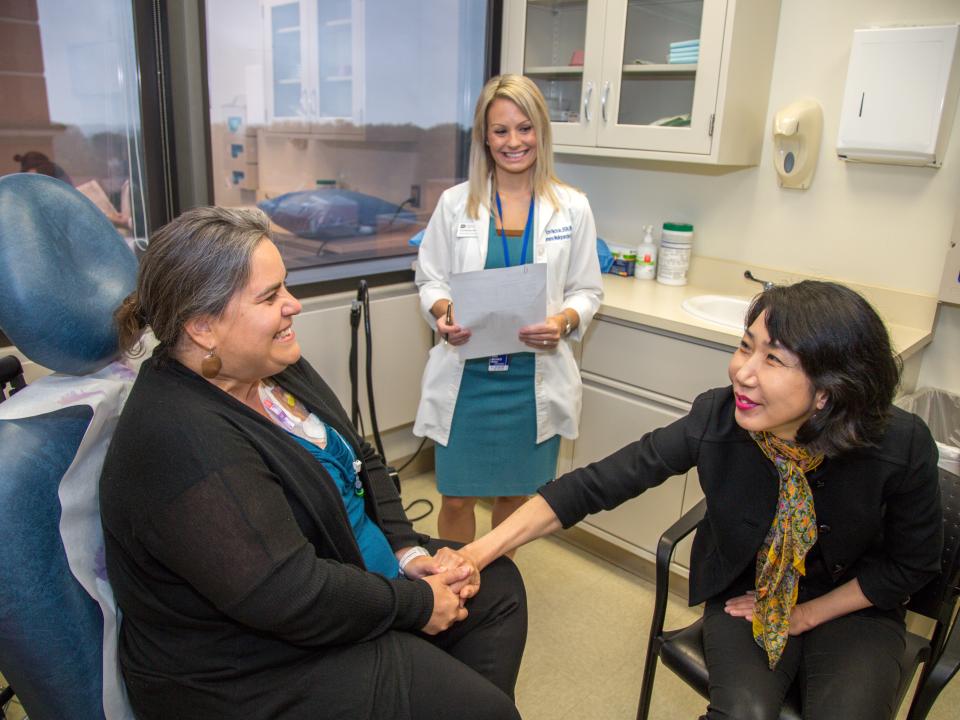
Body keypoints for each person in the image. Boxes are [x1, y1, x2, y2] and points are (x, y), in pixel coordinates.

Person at [100, 207, 526, 720]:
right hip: (249, 668)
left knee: (496, 584)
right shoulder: (179, 438)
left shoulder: (272, 364)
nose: (293, 306)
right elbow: (288, 594)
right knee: (479, 710)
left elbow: (365, 459)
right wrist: (415, 604)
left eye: (286, 286)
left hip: (338, 577)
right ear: (202, 326)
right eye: (270, 296)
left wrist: (408, 553)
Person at [460, 280, 943, 720]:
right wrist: (477, 555)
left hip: (856, 604)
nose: (742, 373)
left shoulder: (900, 445)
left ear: (828, 392)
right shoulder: (718, 417)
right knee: (741, 713)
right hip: (745, 591)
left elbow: (911, 564)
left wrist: (808, 613)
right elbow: (594, 484)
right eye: (744, 347)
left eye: (772, 360)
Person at [414, 74, 603, 543]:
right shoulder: (455, 204)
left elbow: (587, 290)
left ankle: (496, 590)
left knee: (514, 499)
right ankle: (457, 587)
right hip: (469, 378)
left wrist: (563, 321)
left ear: (541, 131)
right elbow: (430, 278)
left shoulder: (572, 208)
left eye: (525, 128)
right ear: (485, 136)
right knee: (455, 496)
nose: (514, 142)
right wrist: (443, 312)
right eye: (501, 130)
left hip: (530, 381)